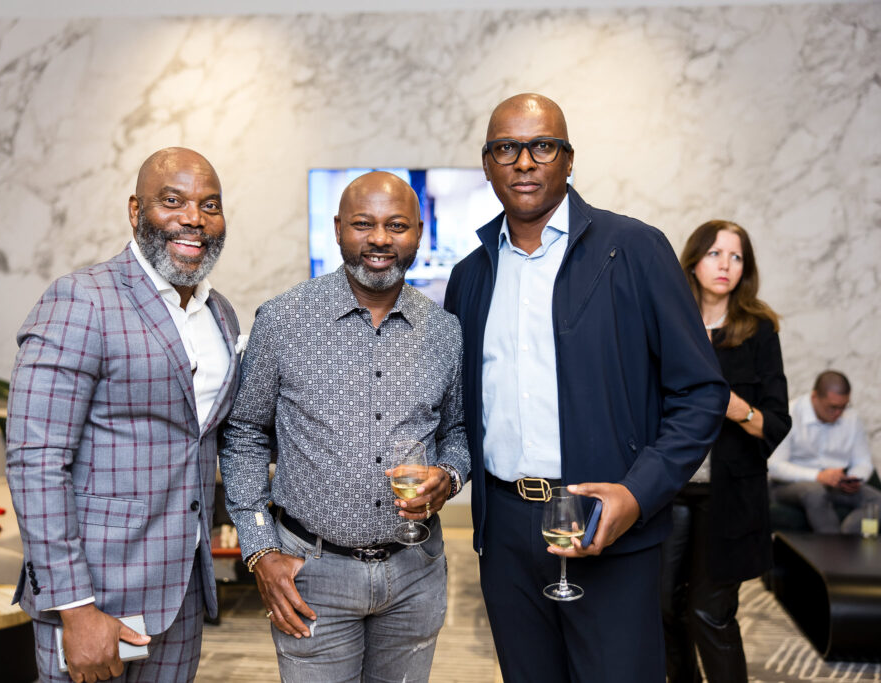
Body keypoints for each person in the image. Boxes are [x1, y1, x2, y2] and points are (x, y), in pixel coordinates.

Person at [442, 93, 729, 682]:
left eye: (541, 146)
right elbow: (462, 407)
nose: (524, 161)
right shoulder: (469, 276)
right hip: (505, 534)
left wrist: (637, 493)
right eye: (506, 148)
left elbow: (702, 392)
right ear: (488, 163)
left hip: (608, 525)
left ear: (568, 160)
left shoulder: (636, 250)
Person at [220, 171, 469, 683]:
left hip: (416, 572)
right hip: (311, 574)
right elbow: (244, 433)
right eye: (363, 224)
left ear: (419, 232)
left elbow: (458, 432)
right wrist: (260, 547)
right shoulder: (284, 320)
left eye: (397, 225)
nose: (380, 238)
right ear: (337, 229)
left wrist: (448, 475)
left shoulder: (444, 332)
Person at [6, 147, 242, 683]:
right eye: (173, 200)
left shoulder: (220, 313)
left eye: (210, 205)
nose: (193, 219)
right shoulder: (80, 300)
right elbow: (36, 462)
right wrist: (75, 605)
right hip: (96, 595)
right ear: (135, 211)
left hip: (180, 594)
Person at [661, 220, 792, 682]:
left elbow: (776, 422)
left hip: (731, 496)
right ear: (693, 261)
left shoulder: (758, 330)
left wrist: (736, 408)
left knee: (708, 612)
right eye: (716, 254)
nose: (726, 265)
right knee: (663, 609)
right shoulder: (667, 321)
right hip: (669, 488)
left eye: (737, 257)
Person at [770, 370, 880, 534]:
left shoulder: (852, 418)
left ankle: (848, 542)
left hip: (836, 483)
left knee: (876, 499)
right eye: (833, 407)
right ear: (815, 397)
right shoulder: (790, 414)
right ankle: (832, 553)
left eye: (843, 407)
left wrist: (853, 478)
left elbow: (862, 462)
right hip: (789, 485)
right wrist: (818, 476)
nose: (838, 413)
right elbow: (774, 466)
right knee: (815, 492)